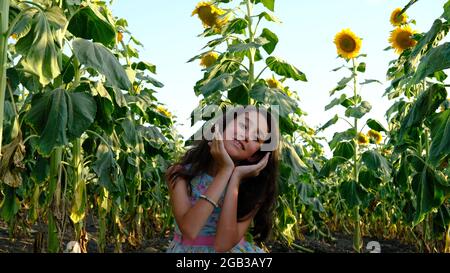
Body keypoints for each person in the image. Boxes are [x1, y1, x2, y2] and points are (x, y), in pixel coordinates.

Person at [165, 106, 280, 253]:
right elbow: (190, 229)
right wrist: (225, 171)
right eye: (244, 125)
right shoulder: (180, 173)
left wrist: (235, 179)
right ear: (223, 125)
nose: (246, 136)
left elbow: (222, 245)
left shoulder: (254, 188)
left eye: (256, 138)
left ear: (255, 155)